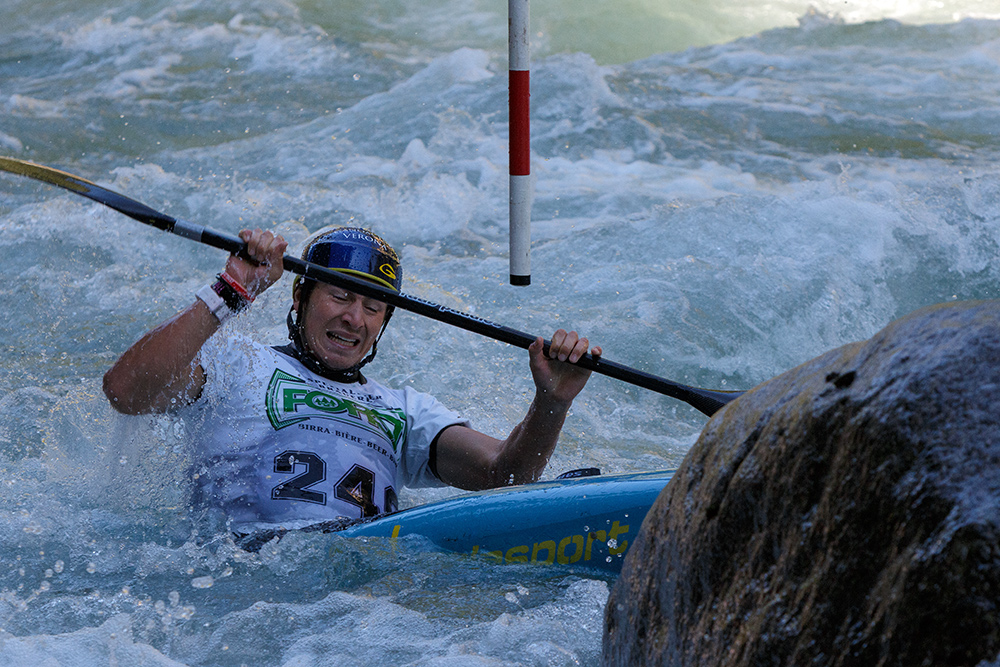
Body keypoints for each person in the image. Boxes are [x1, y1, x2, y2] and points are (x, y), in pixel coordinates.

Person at [103, 226, 602, 539]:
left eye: (372, 307)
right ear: (299, 296)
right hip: (243, 565)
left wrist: (552, 402)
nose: (354, 319)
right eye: (340, 295)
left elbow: (504, 479)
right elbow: (127, 391)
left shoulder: (406, 409)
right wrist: (232, 290)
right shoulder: (238, 362)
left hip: (355, 592)